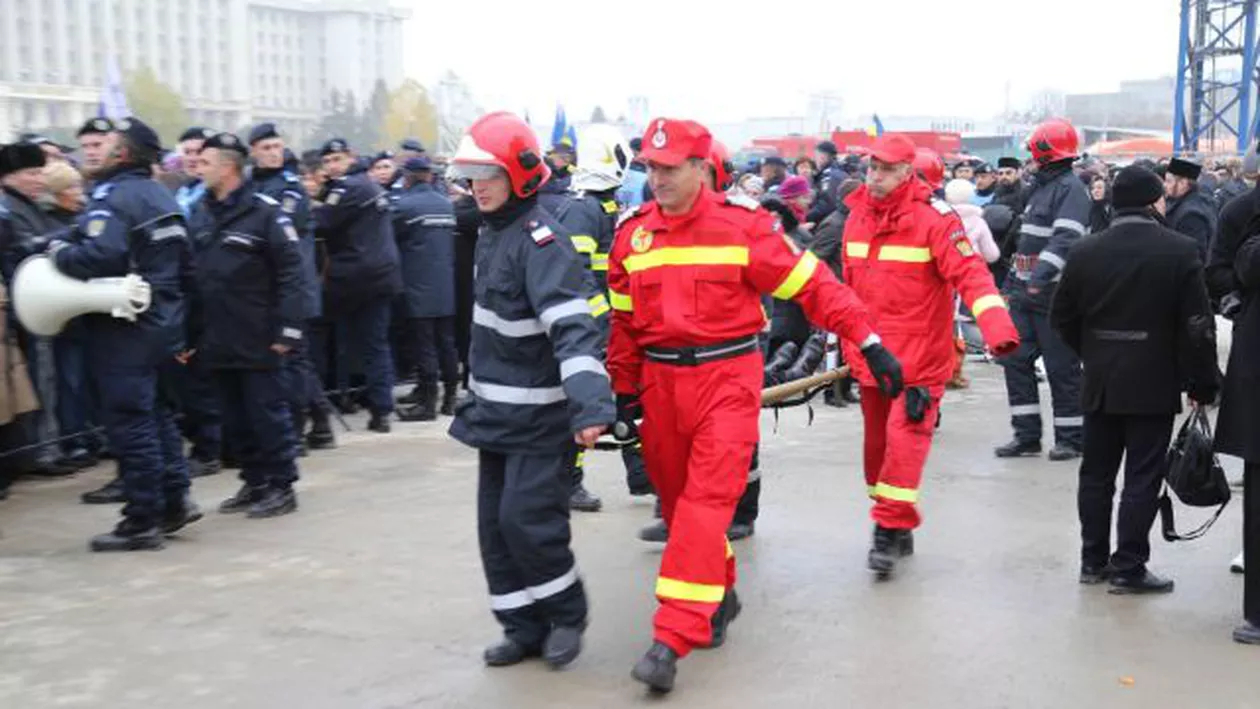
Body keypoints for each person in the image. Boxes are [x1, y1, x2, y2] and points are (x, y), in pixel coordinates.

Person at [607, 118, 902, 692]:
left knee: (703, 505)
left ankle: (670, 636)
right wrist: (622, 387)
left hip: (726, 380)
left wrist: (867, 340)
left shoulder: (742, 228)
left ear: (701, 168)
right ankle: (717, 593)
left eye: (670, 168)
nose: (657, 178)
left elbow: (814, 287)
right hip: (661, 387)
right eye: (650, 166)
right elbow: (624, 321)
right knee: (675, 501)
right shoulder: (632, 234)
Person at [445, 112, 613, 670]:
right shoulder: (491, 232)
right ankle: (522, 626)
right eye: (471, 175)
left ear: (517, 174)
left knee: (528, 520)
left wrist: (591, 405)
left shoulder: (542, 241)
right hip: (495, 413)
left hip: (542, 419)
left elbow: (572, 326)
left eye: (488, 173)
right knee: (494, 526)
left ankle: (566, 614)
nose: (478, 186)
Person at [842, 134, 1018, 578]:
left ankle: (886, 529)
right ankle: (894, 521)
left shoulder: (936, 220)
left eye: (884, 170)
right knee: (876, 447)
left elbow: (972, 275)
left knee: (905, 442)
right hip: (871, 355)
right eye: (871, 169)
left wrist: (997, 329)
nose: (875, 177)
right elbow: (847, 286)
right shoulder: (857, 215)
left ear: (907, 172)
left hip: (919, 359)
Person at [1050, 165, 1219, 594]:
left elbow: (1062, 318)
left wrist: (1095, 351)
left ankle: (1092, 561)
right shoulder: (1179, 250)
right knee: (1142, 476)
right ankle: (1128, 566)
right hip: (1154, 379)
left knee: (1096, 474)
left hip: (1101, 378)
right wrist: (1202, 383)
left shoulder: (1086, 250)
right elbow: (1197, 326)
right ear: (1152, 202)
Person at [49, 117, 201, 551]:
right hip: (162, 324)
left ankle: (141, 520)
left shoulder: (114, 196)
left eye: (106, 144)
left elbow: (101, 254)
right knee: (155, 417)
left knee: (130, 424)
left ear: (125, 154)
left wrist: (59, 253)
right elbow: (187, 267)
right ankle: (175, 501)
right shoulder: (162, 194)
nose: (94, 152)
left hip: (124, 325)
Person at [188, 132, 305, 518]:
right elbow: (194, 276)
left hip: (259, 335)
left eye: (205, 162)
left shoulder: (266, 212)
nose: (197, 168)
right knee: (235, 419)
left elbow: (292, 273)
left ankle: (281, 485)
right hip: (218, 336)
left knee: (267, 415)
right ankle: (254, 482)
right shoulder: (202, 212)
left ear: (228, 167)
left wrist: (288, 329)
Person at [996, 118, 1089, 461]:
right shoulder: (1041, 188)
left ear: (1046, 153)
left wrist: (1039, 279)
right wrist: (1011, 284)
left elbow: (1066, 240)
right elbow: (1025, 242)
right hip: (1025, 295)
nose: (1030, 161)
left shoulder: (1071, 190)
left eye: (1034, 154)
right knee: (1014, 360)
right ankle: (1026, 436)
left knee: (1061, 369)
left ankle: (1072, 438)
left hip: (1054, 297)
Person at [248, 123, 335, 452]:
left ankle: (301, 426)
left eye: (277, 146)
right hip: (268, 290)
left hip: (292, 288)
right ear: (254, 151)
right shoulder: (253, 184)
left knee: (295, 361)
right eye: (266, 147)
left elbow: (277, 238)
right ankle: (320, 420)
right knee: (294, 361)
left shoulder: (290, 189)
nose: (273, 153)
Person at [312, 138, 403, 433]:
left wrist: (315, 197)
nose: (331, 166)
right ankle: (381, 410)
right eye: (326, 162)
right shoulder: (370, 185)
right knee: (376, 346)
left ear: (349, 157)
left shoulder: (346, 188)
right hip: (382, 276)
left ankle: (334, 402)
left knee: (333, 341)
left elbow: (320, 222)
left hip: (353, 279)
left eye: (336, 160)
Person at [392, 156, 460, 422]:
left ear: (408, 177)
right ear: (430, 176)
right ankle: (451, 399)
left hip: (417, 285)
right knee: (446, 343)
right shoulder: (446, 205)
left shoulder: (404, 206)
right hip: (445, 285)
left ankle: (428, 403)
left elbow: (392, 237)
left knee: (425, 346)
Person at [1163, 157, 1216, 261]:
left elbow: (1195, 255)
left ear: (1183, 184)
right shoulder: (1198, 201)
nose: (1164, 185)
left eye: (1169, 181)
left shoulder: (1191, 215)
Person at [174, 127, 213, 216]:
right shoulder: (183, 189)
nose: (192, 159)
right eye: (187, 152)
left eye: (199, 152)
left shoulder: (219, 191)